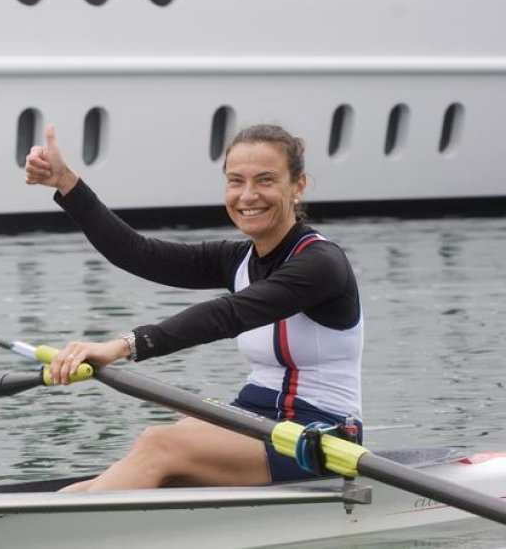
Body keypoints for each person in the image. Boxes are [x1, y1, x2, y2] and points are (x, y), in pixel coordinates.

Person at [25, 123, 363, 491]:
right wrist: (66, 183)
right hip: (253, 417)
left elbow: (228, 314)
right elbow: (138, 254)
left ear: (297, 186)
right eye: (236, 181)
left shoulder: (321, 264)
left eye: (265, 180)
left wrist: (122, 345)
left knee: (160, 444)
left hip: (318, 437)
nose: (248, 195)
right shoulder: (238, 258)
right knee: (157, 447)